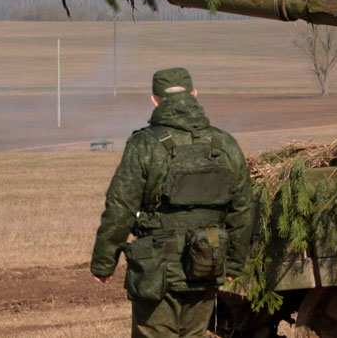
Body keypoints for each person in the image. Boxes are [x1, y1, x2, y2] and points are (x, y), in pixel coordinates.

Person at [90, 67, 252, 338]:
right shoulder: (224, 144)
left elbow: (121, 207)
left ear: (155, 99)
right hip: (207, 260)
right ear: (194, 94)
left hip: (155, 268)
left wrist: (104, 263)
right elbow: (243, 208)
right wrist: (234, 263)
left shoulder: (144, 144)